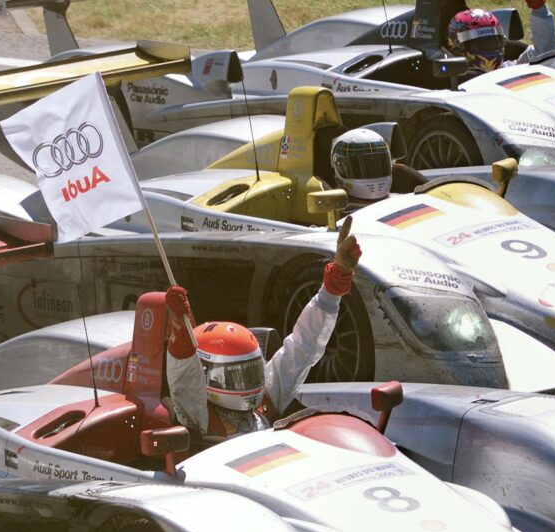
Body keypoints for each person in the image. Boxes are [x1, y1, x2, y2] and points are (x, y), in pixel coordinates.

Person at [163, 216, 361, 440]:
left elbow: (303, 346)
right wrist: (180, 329)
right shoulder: (198, 415)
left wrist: (333, 287)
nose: (248, 383)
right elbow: (183, 377)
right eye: (236, 375)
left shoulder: (265, 398)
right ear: (208, 374)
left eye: (251, 371)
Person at [444, 0, 555, 73]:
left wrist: (539, 9)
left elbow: (545, 54)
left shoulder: (508, 69)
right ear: (457, 45)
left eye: (493, 41)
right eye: (481, 43)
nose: (489, 47)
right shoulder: (447, 82)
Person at [330, 128, 426, 204]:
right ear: (340, 166)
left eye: (377, 164)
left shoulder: (404, 199)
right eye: (358, 166)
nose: (373, 170)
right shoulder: (332, 208)